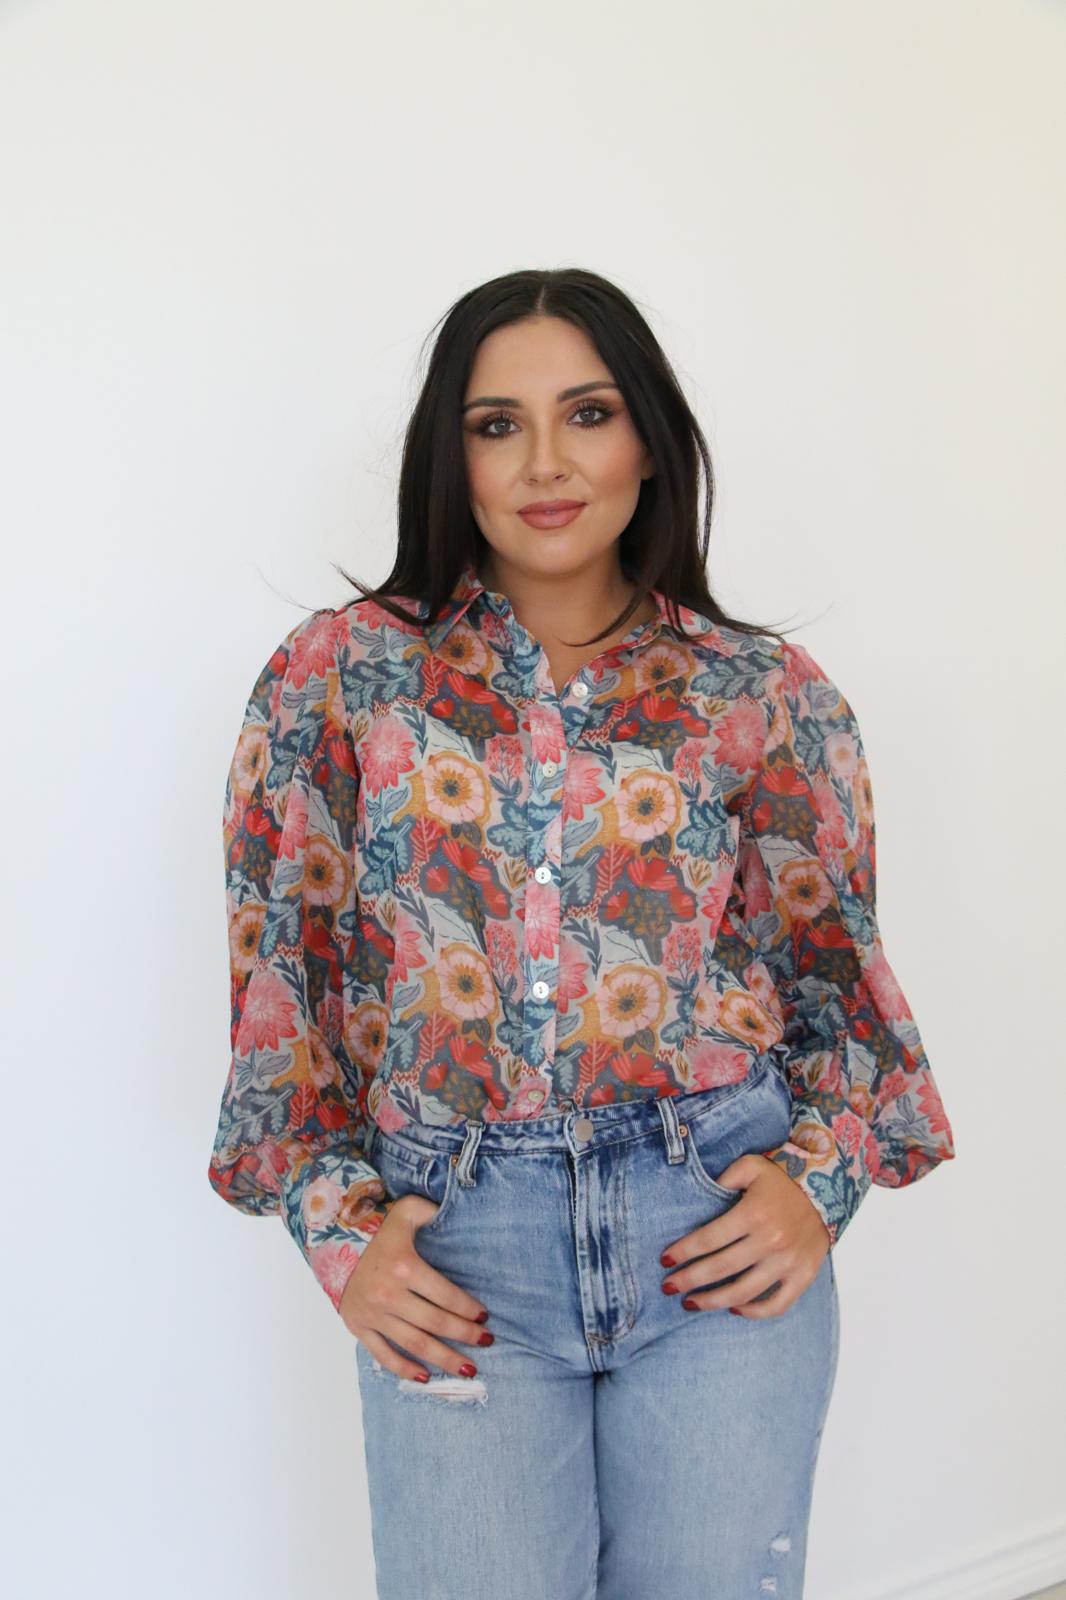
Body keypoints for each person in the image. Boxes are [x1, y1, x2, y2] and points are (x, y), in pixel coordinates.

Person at [207, 267, 955, 1600]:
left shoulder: (761, 693)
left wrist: (819, 1182)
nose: (545, 462)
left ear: (649, 444)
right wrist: (339, 1232)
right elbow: (286, 995)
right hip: (458, 1253)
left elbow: (838, 991)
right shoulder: (338, 677)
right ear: (452, 455)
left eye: (588, 414)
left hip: (710, 1234)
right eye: (496, 424)